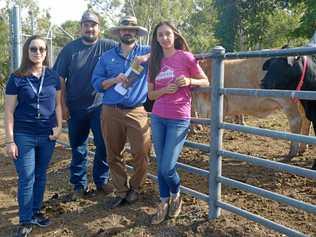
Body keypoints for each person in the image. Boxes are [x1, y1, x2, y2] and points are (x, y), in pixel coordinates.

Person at [147, 21, 209, 224]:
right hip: (157, 117)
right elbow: (150, 94)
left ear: (174, 35)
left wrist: (190, 81)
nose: (164, 38)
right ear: (156, 39)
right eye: (160, 35)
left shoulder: (185, 57)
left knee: (167, 166)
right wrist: (164, 91)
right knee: (160, 164)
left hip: (178, 118)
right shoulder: (154, 62)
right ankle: (164, 201)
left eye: (167, 34)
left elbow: (206, 81)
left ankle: (177, 193)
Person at [53, 11, 116, 198]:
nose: (90, 28)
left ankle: (101, 180)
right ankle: (79, 185)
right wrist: (63, 104)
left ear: (99, 27)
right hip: (75, 106)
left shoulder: (108, 46)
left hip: (100, 106)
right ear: (81, 27)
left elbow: (130, 48)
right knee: (78, 147)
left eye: (93, 25)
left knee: (103, 144)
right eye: (86, 25)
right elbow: (60, 78)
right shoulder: (70, 49)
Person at [4, 35, 62, 237]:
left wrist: (59, 127)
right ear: (27, 52)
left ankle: (36, 212)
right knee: (26, 177)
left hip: (47, 134)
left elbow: (57, 105)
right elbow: (9, 110)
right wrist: (9, 140)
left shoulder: (54, 77)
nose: (38, 53)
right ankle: (25, 220)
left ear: (46, 53)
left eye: (42, 49)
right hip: (23, 134)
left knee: (40, 174)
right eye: (33, 49)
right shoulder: (16, 77)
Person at [91, 15, 151, 208]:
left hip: (136, 110)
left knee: (141, 152)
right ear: (119, 33)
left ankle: (136, 187)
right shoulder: (106, 57)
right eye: (124, 29)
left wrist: (144, 59)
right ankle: (122, 190)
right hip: (111, 111)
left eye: (132, 29)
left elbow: (167, 51)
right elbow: (97, 83)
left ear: (136, 33)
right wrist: (113, 80)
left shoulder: (147, 52)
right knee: (113, 153)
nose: (128, 32)